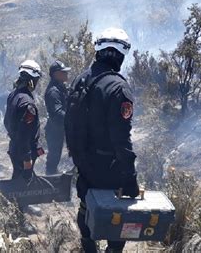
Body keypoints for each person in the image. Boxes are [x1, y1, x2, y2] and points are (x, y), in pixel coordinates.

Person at [66, 28, 139, 252]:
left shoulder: (80, 79)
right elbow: (121, 138)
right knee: (118, 213)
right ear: (121, 55)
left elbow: (70, 122)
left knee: (86, 204)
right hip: (109, 166)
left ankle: (88, 245)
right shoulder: (118, 88)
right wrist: (130, 175)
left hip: (82, 161)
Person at [4, 60, 45, 220]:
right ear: (31, 81)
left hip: (15, 146)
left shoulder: (14, 95)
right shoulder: (27, 103)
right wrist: (27, 158)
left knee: (22, 179)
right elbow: (24, 135)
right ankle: (18, 218)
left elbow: (7, 122)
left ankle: (25, 204)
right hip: (23, 150)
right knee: (20, 182)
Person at [44, 60, 70, 175]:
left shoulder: (60, 87)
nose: (66, 74)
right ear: (56, 74)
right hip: (55, 130)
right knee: (54, 157)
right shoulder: (53, 92)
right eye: (63, 72)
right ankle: (50, 181)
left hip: (60, 128)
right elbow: (57, 113)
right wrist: (73, 119)